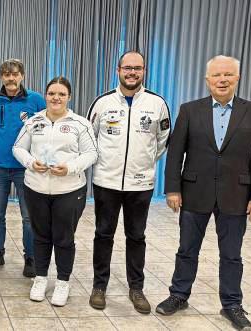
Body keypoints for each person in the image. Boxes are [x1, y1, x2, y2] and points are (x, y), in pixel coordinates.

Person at [156, 55, 251, 331]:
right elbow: (175, 154)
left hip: (237, 194)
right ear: (207, 79)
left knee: (232, 254)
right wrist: (172, 188)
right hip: (194, 191)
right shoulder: (189, 110)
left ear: (237, 78)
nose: (222, 79)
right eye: (217, 75)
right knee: (187, 249)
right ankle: (178, 295)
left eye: (228, 75)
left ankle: (232, 304)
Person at [85, 51, 171, 313]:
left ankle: (137, 288)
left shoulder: (157, 104)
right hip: (106, 182)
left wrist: (142, 163)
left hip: (140, 184)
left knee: (136, 236)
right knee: (103, 235)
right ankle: (99, 286)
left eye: (138, 68)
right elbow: (90, 139)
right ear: (118, 70)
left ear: (144, 71)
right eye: (127, 68)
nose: (132, 72)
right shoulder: (102, 103)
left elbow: (162, 141)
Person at [13, 76, 97, 306]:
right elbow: (18, 147)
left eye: (61, 94)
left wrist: (70, 168)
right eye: (52, 93)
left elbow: (91, 153)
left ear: (69, 97)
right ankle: (40, 278)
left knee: (63, 237)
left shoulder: (81, 124)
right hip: (36, 188)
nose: (56, 98)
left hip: (69, 190)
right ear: (46, 95)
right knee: (40, 236)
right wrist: (31, 163)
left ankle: (62, 282)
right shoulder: (34, 121)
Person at [0, 59, 46, 277]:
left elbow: (44, 131)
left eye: (15, 74)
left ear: (22, 76)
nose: (11, 78)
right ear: (1, 76)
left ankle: (30, 257)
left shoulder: (36, 100)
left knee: (29, 217)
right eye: (7, 74)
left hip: (25, 169)